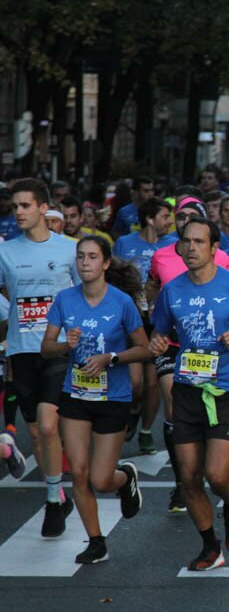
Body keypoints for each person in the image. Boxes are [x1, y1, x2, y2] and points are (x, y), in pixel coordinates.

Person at [150, 216, 229, 570]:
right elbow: (159, 335)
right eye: (185, 242)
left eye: (198, 242)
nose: (190, 248)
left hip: (225, 388)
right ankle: (210, 547)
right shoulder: (172, 290)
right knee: (188, 477)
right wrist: (157, 342)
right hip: (187, 389)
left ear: (215, 247)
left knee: (217, 476)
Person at [41, 236, 149, 563]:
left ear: (104, 264)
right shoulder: (64, 299)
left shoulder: (121, 303)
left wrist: (111, 358)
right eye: (80, 257)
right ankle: (96, 540)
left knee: (102, 479)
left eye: (91, 257)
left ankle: (124, 477)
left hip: (112, 395)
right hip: (75, 394)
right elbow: (46, 348)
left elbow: (143, 348)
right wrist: (66, 344)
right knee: (80, 472)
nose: (84, 262)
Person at [146, 197, 229, 512]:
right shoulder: (161, 256)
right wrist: (156, 337)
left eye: (191, 217)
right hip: (176, 347)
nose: (184, 222)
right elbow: (153, 290)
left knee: (216, 470)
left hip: (216, 362)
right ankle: (181, 483)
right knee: (172, 404)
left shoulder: (225, 263)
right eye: (179, 218)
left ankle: (223, 496)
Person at [0, 178, 80, 537]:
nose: (18, 212)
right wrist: (8, 313)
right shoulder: (6, 251)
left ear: (43, 208)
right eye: (14, 206)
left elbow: (83, 294)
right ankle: (59, 494)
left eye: (25, 205)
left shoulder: (69, 249)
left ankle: (51, 501)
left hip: (58, 348)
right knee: (36, 429)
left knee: (49, 425)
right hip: (21, 349)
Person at [113, 198, 178, 453]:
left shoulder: (173, 244)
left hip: (159, 321)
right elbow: (113, 277)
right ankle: (134, 408)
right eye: (165, 216)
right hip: (130, 319)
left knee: (153, 383)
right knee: (134, 383)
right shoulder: (125, 243)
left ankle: (146, 430)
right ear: (150, 219)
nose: (169, 221)